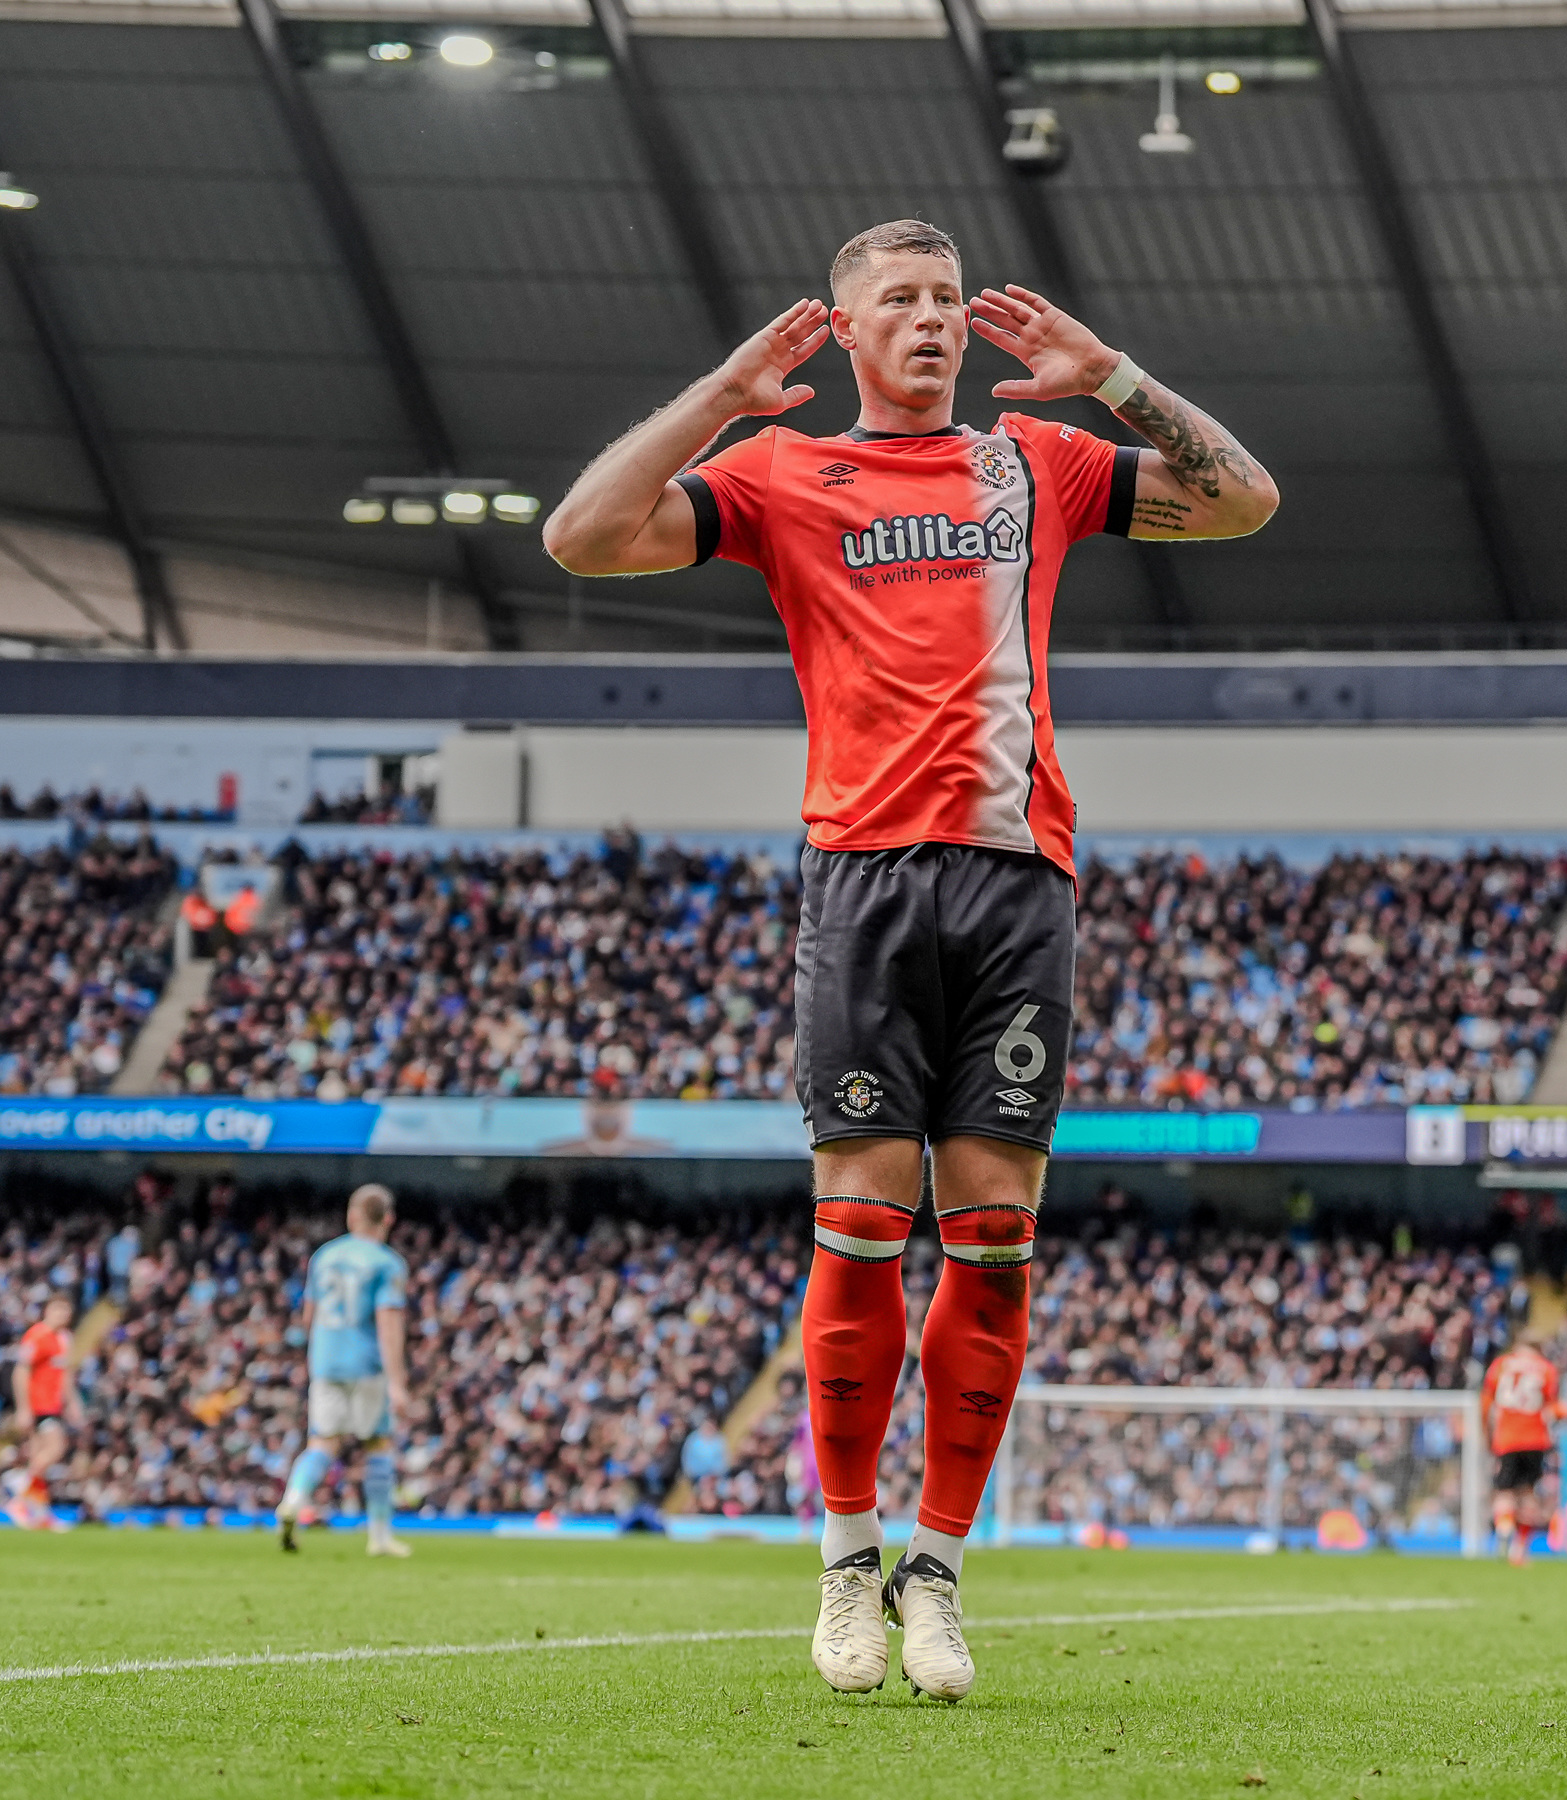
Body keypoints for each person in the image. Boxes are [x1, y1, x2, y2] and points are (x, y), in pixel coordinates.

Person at [544, 218, 1279, 1700]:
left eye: (948, 298)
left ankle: (936, 1574)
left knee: (997, 1228)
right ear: (847, 325)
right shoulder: (778, 474)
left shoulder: (1039, 462)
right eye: (902, 300)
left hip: (1018, 880)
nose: (933, 320)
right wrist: (719, 399)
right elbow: (579, 539)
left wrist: (1108, 377)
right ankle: (843, 1562)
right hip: (864, 881)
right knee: (865, 1215)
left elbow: (1246, 501)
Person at [276, 1183, 413, 1559]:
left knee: (322, 1443)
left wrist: (316, 1358)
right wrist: (398, 1383)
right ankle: (380, 1537)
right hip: (366, 1362)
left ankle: (293, 1500)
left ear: (352, 1217)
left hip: (326, 1361)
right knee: (377, 1444)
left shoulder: (324, 1256)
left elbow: (309, 1317)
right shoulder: (387, 1263)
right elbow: (388, 1324)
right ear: (389, 1219)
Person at [1480, 1328, 1567, 1567]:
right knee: (1528, 1492)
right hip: (1535, 1439)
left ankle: (1504, 1527)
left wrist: (1487, 1436)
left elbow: (1486, 1404)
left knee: (1504, 1492)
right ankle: (1520, 1549)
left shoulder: (1500, 1365)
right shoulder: (1546, 1369)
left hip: (1507, 1438)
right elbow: (1552, 1409)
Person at [4, 1298, 80, 1531]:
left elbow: (64, 1375)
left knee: (39, 1459)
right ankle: (19, 1496)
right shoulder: (36, 1336)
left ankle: (39, 1514)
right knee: (55, 1448)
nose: (63, 1313)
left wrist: (73, 1403)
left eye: (66, 1309)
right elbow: (21, 1371)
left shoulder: (65, 1339)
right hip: (39, 1405)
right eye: (58, 1308)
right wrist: (23, 1408)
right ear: (48, 1310)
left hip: (54, 1405)